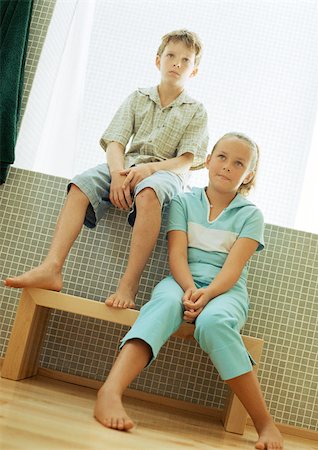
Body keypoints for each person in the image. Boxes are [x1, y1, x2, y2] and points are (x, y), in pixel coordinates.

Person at [93, 132, 284, 450]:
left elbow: (233, 269)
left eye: (239, 163)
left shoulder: (251, 216)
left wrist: (207, 296)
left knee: (215, 323)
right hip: (181, 282)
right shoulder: (183, 201)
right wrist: (190, 289)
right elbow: (177, 255)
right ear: (208, 160)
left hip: (226, 291)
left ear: (249, 174)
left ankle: (265, 424)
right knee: (164, 304)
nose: (227, 166)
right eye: (221, 157)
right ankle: (109, 393)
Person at [3, 29, 209, 308]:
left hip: (165, 174)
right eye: (171, 56)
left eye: (185, 60)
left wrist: (148, 170)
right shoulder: (138, 97)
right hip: (125, 166)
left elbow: (186, 160)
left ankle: (128, 285)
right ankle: (52, 266)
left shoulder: (196, 111)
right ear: (157, 60)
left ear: (193, 71)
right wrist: (116, 175)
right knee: (81, 183)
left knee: (149, 192)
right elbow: (115, 142)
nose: (176, 63)